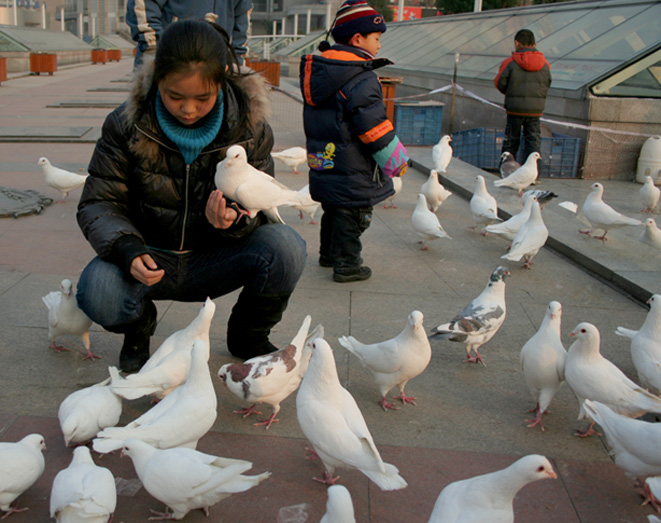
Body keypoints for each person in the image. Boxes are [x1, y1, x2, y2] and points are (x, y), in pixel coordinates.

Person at [76, 19, 307, 373]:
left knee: (286, 246)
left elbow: (261, 209)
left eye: (203, 98)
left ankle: (248, 334)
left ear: (223, 81)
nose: (188, 109)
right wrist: (127, 249)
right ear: (156, 79)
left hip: (215, 258)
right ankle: (139, 330)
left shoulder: (250, 128)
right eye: (174, 96)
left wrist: (233, 222)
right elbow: (98, 202)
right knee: (98, 291)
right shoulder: (126, 125)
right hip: (150, 258)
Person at [299, 0, 409, 283]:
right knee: (353, 213)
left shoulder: (323, 73)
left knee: (333, 209)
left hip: (325, 159)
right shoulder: (360, 76)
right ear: (357, 38)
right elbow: (374, 127)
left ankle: (328, 255)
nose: (380, 46)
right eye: (377, 38)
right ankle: (347, 264)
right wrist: (396, 161)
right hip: (352, 165)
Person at [126, 0, 252, 67]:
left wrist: (236, 65)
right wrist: (156, 51)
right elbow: (143, 6)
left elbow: (242, 23)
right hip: (167, 62)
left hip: (217, 68)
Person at [494, 29, 551, 167]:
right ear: (535, 44)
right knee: (533, 142)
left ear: (517, 43)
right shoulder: (545, 64)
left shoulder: (509, 62)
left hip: (514, 109)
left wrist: (511, 94)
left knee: (511, 141)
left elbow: (499, 82)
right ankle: (533, 175)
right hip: (535, 111)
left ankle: (507, 170)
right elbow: (547, 83)